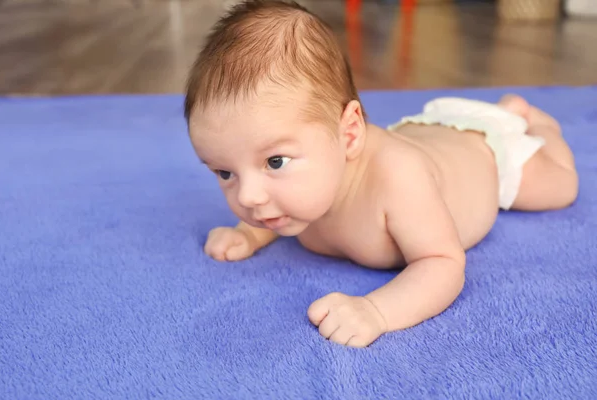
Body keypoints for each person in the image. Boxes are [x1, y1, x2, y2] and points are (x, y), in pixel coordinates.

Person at [183, 0, 578, 347]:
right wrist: (248, 232)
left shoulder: (397, 180)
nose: (249, 197)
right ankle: (507, 110)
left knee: (560, 188)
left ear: (349, 133)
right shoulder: (296, 191)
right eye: (224, 172)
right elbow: (273, 208)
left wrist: (376, 311)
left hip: (486, 151)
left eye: (274, 163)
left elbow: (442, 262)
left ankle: (530, 122)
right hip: (427, 131)